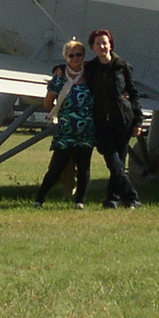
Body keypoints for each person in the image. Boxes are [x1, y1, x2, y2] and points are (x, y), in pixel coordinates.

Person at [82, 28, 143, 208]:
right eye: (98, 43)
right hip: (101, 120)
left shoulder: (122, 66)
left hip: (122, 119)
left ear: (111, 45)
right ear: (92, 47)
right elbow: (74, 73)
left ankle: (113, 199)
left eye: (105, 43)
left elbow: (133, 93)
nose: (102, 46)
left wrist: (138, 120)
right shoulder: (90, 68)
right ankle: (132, 197)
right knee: (112, 160)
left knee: (119, 162)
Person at [35, 39, 93, 207]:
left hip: (87, 129)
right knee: (57, 166)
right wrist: (63, 111)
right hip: (66, 128)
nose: (75, 58)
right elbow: (47, 104)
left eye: (79, 55)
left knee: (84, 167)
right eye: (71, 55)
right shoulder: (59, 78)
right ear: (66, 57)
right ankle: (40, 199)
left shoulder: (90, 76)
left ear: (84, 56)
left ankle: (80, 201)